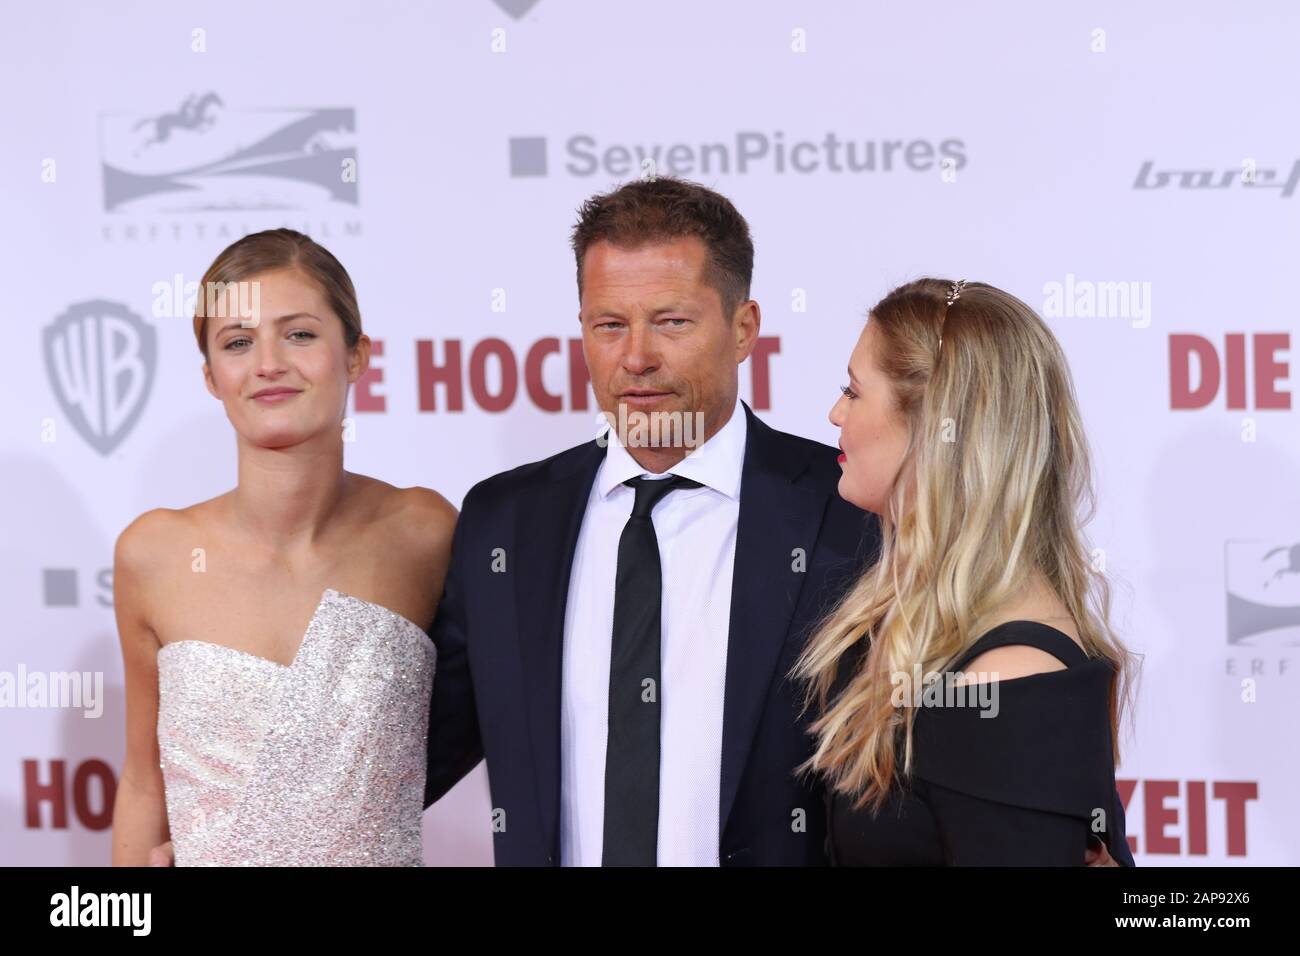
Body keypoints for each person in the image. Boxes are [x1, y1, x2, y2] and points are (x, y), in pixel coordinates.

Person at [422, 178, 1126, 865]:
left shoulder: (856, 514)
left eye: (671, 321)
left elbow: (1014, 783)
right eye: (609, 325)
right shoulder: (503, 526)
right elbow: (408, 760)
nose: (635, 357)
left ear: (743, 328)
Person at [111, 229, 456, 866]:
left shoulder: (426, 532)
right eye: (238, 343)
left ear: (356, 355)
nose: (269, 363)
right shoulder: (152, 553)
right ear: (212, 377)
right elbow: (141, 780)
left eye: (298, 333)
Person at [794, 278, 1137, 866]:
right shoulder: (907, 613)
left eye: (853, 393)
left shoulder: (1007, 672)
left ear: (933, 426)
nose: (834, 414)